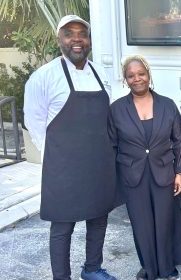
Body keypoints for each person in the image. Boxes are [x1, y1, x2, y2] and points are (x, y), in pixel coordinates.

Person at [24, 15, 117, 280]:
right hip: (63, 167)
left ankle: (92, 268)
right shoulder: (43, 77)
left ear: (88, 40)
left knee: (99, 218)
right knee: (63, 226)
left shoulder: (101, 73)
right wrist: (56, 158)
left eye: (82, 33)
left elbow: (106, 117)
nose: (76, 39)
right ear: (59, 40)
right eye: (69, 33)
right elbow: (35, 123)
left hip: (98, 162)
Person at [108, 55, 181, 280]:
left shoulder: (167, 105)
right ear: (125, 79)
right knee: (141, 224)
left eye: (141, 74)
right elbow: (112, 145)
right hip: (132, 175)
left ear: (148, 74)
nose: (137, 79)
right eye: (131, 76)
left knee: (164, 221)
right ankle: (149, 268)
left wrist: (179, 172)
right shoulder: (116, 110)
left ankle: (167, 267)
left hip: (163, 171)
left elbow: (178, 141)